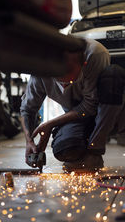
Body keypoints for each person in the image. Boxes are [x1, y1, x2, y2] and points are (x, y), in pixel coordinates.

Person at [20, 38, 125, 172]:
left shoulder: (95, 54)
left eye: (70, 81)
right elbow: (27, 109)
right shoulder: (40, 69)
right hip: (78, 116)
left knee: (114, 75)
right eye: (59, 80)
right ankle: (82, 147)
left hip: (110, 112)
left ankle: (95, 149)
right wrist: (29, 141)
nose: (64, 87)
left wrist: (50, 124)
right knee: (65, 148)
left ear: (84, 64)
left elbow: (90, 105)